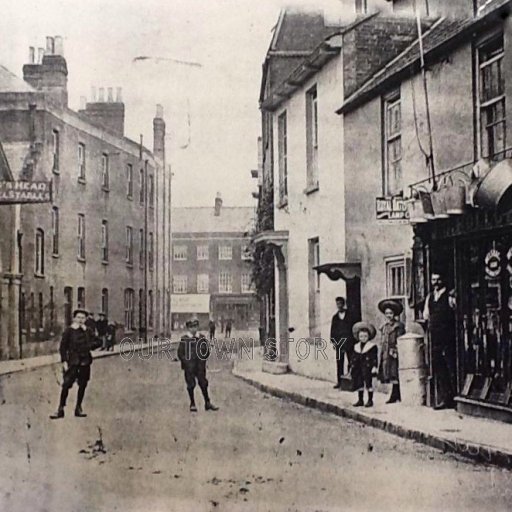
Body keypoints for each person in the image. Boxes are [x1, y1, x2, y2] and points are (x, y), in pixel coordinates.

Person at [50, 309, 101, 419]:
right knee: (66, 385)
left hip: (85, 362)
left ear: (86, 319)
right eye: (78, 317)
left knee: (82, 385)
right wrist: (64, 361)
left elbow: (98, 341)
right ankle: (60, 409)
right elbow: (63, 347)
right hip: (72, 362)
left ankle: (78, 408)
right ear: (74, 318)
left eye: (83, 318)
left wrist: (89, 346)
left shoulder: (88, 331)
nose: (80, 320)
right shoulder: (69, 331)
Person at [423, 272, 457, 409]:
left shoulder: (449, 296)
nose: (435, 283)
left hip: (448, 337)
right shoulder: (430, 297)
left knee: (451, 366)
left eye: (438, 280)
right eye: (433, 280)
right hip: (435, 338)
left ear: (443, 280)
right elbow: (426, 315)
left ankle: (456, 397)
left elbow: (456, 312)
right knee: (439, 368)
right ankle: (445, 398)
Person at [177, 317, 219, 412]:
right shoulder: (184, 339)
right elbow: (180, 353)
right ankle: (192, 403)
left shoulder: (201, 338)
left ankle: (207, 403)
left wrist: (203, 359)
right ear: (188, 328)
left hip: (200, 366)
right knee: (191, 384)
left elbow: (207, 350)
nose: (193, 329)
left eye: (195, 326)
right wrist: (186, 362)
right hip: (189, 367)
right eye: (191, 327)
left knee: (203, 383)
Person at [377, 299, 406, 404]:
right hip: (386, 353)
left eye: (391, 313)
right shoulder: (384, 327)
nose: (389, 315)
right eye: (387, 313)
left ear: (394, 314)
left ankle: (396, 394)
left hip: (394, 353)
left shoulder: (399, 326)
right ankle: (395, 394)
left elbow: (400, 339)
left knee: (395, 372)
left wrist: (396, 350)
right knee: (388, 372)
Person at [330, 296, 355, 389]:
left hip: (349, 342)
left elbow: (353, 329)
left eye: (341, 303)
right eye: (337, 304)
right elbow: (332, 331)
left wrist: (353, 341)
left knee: (351, 361)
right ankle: (339, 382)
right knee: (339, 362)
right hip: (339, 343)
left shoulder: (350, 315)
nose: (339, 305)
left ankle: (351, 381)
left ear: (344, 304)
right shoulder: (335, 317)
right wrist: (334, 342)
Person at [351, 321, 378, 407]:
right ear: (358, 337)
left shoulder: (372, 346)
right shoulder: (356, 346)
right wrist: (352, 365)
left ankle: (370, 400)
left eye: (365, 336)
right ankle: (360, 399)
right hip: (358, 368)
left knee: (368, 383)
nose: (363, 338)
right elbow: (353, 357)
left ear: (369, 337)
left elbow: (374, 358)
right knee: (359, 383)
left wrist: (374, 366)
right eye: (361, 336)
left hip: (367, 367)